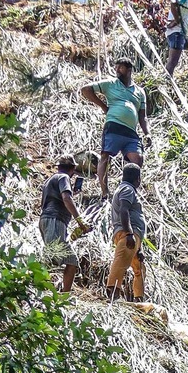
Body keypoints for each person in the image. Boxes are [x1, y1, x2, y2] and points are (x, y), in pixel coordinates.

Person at [83, 56, 148, 197]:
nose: (117, 70)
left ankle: (128, 191)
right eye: (116, 67)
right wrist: (103, 107)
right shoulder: (111, 83)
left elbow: (142, 116)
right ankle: (105, 192)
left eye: (121, 67)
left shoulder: (139, 92)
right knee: (105, 156)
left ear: (129, 70)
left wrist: (147, 133)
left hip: (131, 131)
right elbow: (86, 89)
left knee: (137, 159)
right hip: (114, 125)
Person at [40, 155, 86, 293]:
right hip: (55, 220)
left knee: (56, 257)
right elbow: (66, 198)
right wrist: (80, 220)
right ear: (72, 169)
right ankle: (61, 295)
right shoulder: (64, 177)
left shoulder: (50, 180)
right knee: (62, 260)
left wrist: (72, 194)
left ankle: (48, 291)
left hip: (48, 220)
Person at [106, 160, 146, 302]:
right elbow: (124, 210)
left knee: (139, 268)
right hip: (127, 234)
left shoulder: (125, 189)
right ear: (137, 179)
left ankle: (138, 299)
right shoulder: (127, 189)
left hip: (133, 236)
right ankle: (112, 295)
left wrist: (139, 248)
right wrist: (129, 234)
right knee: (121, 262)